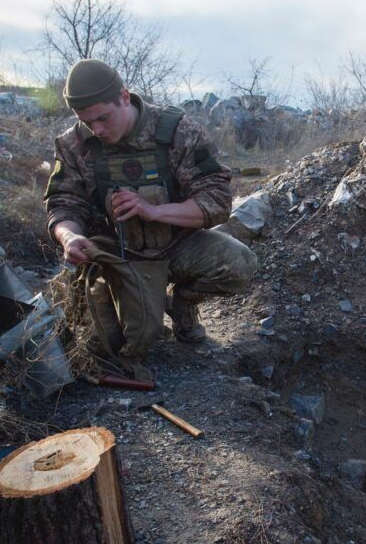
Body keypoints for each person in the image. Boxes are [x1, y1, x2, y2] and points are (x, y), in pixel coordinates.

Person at [44, 59, 257, 345]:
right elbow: (64, 203)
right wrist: (69, 236)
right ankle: (137, 302)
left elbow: (216, 200)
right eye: (86, 121)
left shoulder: (177, 131)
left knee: (239, 263)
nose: (96, 130)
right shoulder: (74, 144)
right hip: (116, 256)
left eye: (103, 118)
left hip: (176, 247)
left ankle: (181, 303)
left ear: (124, 97)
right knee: (119, 343)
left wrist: (154, 211)